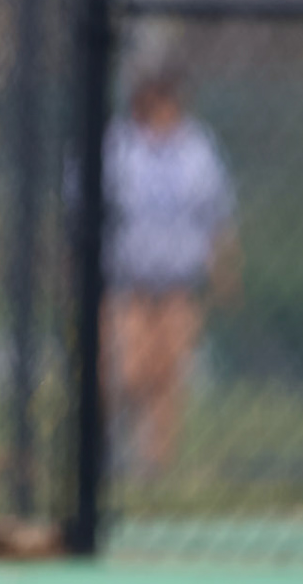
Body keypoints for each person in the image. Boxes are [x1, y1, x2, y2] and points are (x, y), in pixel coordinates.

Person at [102, 61, 239, 477]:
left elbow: (219, 215)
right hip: (128, 281)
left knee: (167, 375)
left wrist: (225, 270)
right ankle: (109, 448)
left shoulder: (198, 149)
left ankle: (154, 468)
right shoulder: (117, 147)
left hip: (179, 282)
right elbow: (84, 213)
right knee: (127, 371)